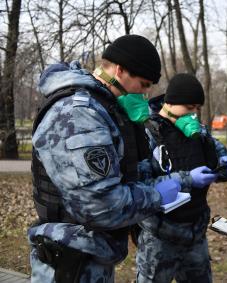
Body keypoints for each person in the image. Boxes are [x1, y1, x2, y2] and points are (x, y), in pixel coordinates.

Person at [29, 35, 216, 283]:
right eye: (143, 83)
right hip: (68, 263)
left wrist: (179, 180)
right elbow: (101, 206)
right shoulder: (78, 114)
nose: (146, 93)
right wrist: (159, 195)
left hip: (91, 256)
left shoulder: (106, 110)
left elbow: (134, 172)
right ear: (119, 70)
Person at [135, 73, 227, 283]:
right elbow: (141, 187)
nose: (193, 114)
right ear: (170, 103)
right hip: (159, 238)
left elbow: (217, 158)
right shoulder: (145, 132)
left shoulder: (199, 132)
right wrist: (187, 179)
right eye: (189, 108)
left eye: (196, 109)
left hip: (195, 234)